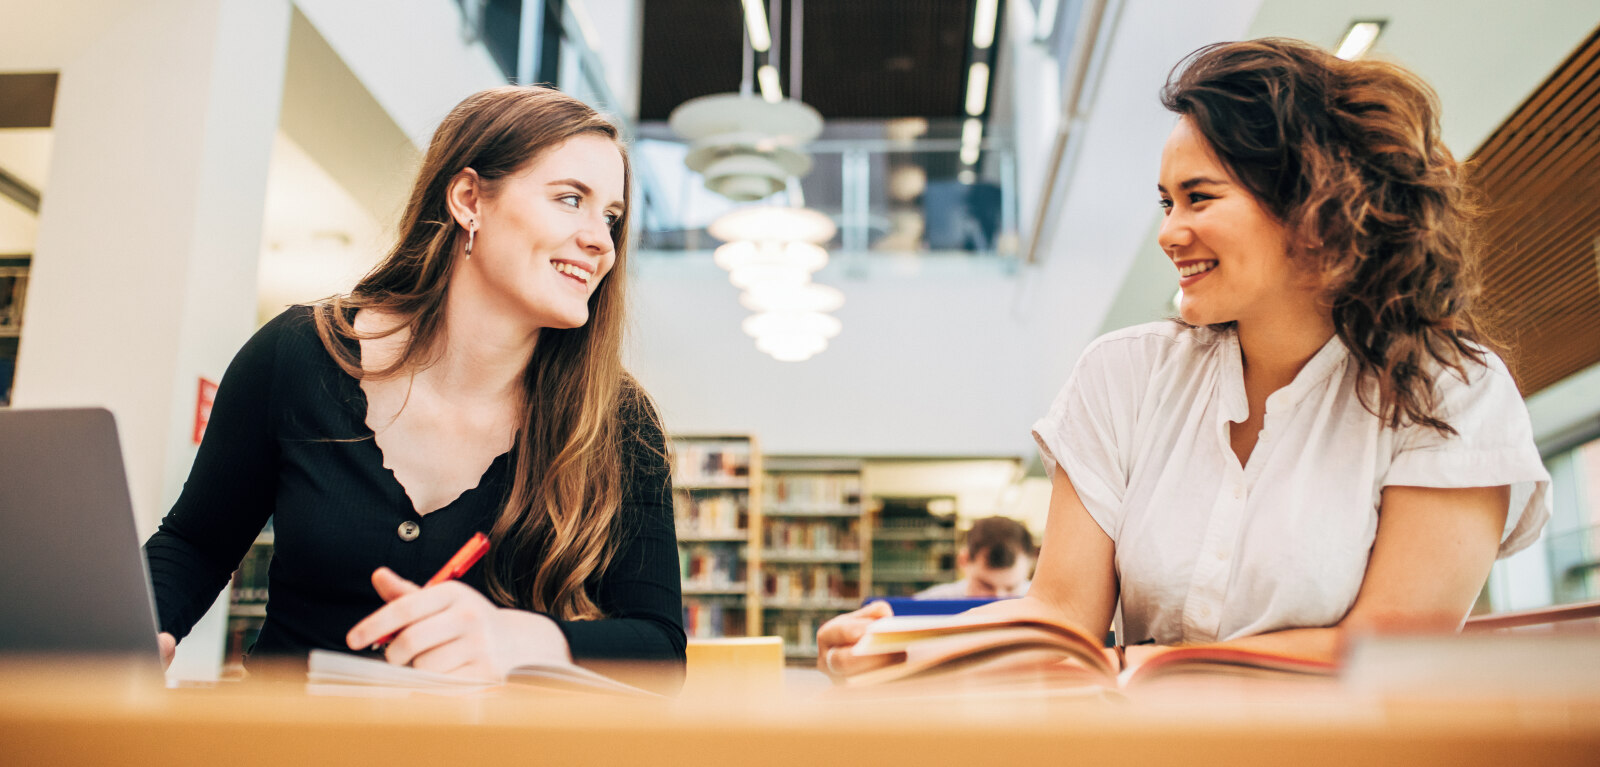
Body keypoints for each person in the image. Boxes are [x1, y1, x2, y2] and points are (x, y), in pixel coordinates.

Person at [819, 38, 1551, 677]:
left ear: (1313, 202)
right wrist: (902, 640)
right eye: (1166, 202)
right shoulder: (1122, 375)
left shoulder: (1451, 391)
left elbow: (1387, 653)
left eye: (1198, 198)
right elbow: (1062, 616)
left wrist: (1146, 662)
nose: (1170, 233)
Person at [143, 86, 685, 690]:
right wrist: (141, 628)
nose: (601, 242)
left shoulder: (616, 420)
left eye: (611, 216)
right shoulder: (297, 354)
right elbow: (194, 543)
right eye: (569, 200)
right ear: (468, 199)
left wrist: (520, 640)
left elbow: (660, 651)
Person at [915, 516, 1034, 599]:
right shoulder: (930, 605)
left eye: (1011, 589)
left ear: (1029, 568)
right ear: (963, 560)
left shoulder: (1042, 606)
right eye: (985, 586)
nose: (998, 600)